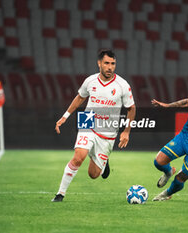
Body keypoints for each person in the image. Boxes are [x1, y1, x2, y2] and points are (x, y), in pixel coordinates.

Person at [52, 49, 136, 202]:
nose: (110, 67)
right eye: (106, 63)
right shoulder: (90, 81)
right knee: (79, 157)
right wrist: (65, 117)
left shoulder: (122, 85)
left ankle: (103, 162)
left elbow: (132, 108)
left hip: (108, 130)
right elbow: (80, 98)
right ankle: (60, 194)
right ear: (99, 63)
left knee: (94, 174)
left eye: (113, 64)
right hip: (88, 120)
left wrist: (126, 132)